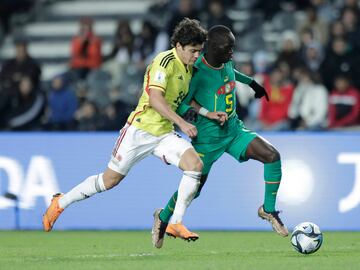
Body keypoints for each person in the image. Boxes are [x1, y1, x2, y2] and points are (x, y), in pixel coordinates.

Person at [42, 18, 217, 249]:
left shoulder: (188, 68)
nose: (196, 56)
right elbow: (155, 99)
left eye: (199, 51)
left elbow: (182, 99)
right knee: (109, 180)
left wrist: (206, 113)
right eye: (194, 51)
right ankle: (60, 202)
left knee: (195, 165)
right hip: (140, 131)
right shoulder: (164, 61)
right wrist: (182, 123)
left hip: (164, 134)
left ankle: (176, 222)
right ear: (179, 46)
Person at [154, 25, 289, 244]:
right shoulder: (195, 72)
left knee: (272, 155)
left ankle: (268, 209)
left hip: (234, 131)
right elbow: (180, 103)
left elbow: (232, 73)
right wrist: (198, 116)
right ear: (212, 49)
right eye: (228, 48)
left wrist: (253, 83)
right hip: (207, 140)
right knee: (192, 191)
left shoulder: (225, 62)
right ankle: (162, 217)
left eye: (232, 47)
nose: (232, 52)